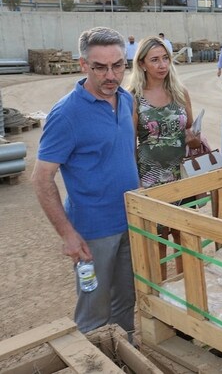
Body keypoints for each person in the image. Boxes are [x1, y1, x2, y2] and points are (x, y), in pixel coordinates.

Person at [32, 27, 139, 335]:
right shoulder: (67, 114)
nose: (111, 75)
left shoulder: (125, 100)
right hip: (92, 232)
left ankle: (123, 358)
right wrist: (68, 234)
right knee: (94, 312)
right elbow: (41, 179)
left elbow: (124, 151)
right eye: (100, 67)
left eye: (118, 65)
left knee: (126, 301)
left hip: (128, 222)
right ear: (83, 65)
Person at [127, 36, 200, 279]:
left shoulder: (180, 92)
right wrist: (134, 183)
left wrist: (193, 139)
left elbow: (190, 129)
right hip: (150, 176)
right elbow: (128, 144)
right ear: (142, 64)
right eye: (154, 60)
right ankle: (159, 294)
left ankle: (186, 289)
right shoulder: (133, 97)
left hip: (182, 175)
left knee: (184, 236)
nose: (161, 65)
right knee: (157, 239)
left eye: (165, 59)